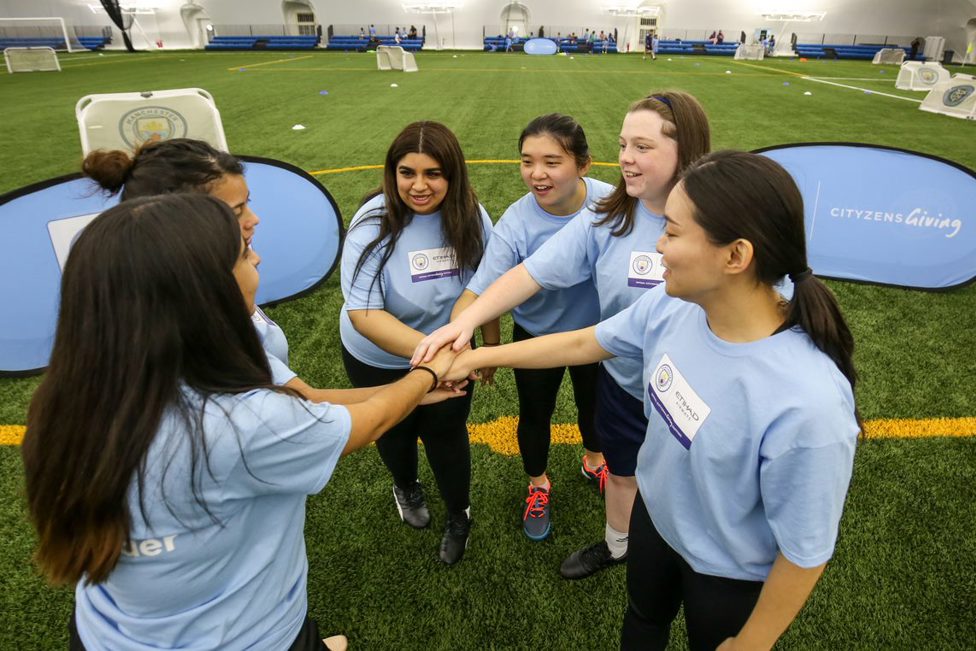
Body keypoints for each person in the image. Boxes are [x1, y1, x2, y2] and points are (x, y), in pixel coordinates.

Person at [439, 151, 861, 651]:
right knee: (642, 621)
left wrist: (754, 641)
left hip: (727, 574)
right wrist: (475, 357)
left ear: (736, 256)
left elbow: (806, 550)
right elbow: (583, 341)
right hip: (655, 523)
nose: (657, 245)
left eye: (674, 233)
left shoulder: (808, 404)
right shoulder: (674, 304)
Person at [22, 193, 462, 651]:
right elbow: (367, 424)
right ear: (205, 291)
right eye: (242, 253)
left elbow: (306, 402)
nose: (257, 254)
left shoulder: (74, 393)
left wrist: (412, 390)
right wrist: (428, 371)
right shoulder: (239, 422)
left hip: (105, 633)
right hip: (249, 637)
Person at [414, 91, 712, 579]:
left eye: (641, 147)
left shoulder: (720, 220)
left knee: (685, 488)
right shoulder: (609, 216)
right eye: (623, 145)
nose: (627, 160)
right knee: (620, 473)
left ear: (687, 149)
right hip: (621, 379)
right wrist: (463, 326)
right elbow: (530, 274)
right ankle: (619, 547)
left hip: (692, 394)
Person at [340, 121, 495, 565]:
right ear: (392, 172)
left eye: (434, 174)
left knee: (447, 433)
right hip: (379, 357)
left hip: (449, 358)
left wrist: (485, 347)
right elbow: (364, 314)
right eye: (407, 172)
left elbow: (487, 287)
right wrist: (437, 358)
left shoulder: (471, 215)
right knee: (393, 428)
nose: (419, 186)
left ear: (453, 174)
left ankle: (458, 514)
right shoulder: (372, 221)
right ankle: (406, 485)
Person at [462, 114, 612, 541]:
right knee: (535, 415)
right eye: (527, 161)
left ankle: (594, 463)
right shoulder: (515, 221)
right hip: (535, 338)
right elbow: (481, 290)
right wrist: (459, 336)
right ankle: (538, 486)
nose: (536, 174)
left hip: (596, 336)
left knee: (596, 411)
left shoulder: (613, 204)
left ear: (583, 164)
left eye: (551, 161)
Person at [83, 139, 296, 385]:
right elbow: (298, 405)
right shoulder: (193, 331)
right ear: (181, 224)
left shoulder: (219, 285)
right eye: (236, 212)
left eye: (248, 203)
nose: (254, 219)